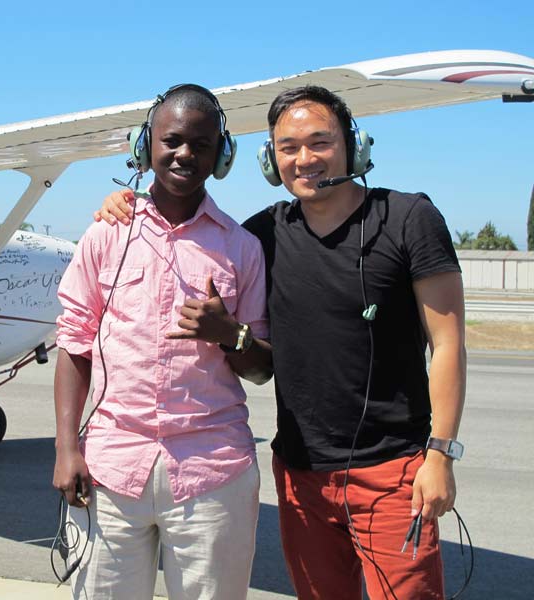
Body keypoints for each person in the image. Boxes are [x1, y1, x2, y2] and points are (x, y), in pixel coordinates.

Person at [96, 85, 466, 599]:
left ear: (352, 146)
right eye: (288, 147)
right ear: (271, 160)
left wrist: (441, 456)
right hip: (301, 475)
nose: (305, 159)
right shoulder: (263, 234)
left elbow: (447, 344)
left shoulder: (409, 219)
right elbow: (190, 225)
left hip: (394, 471)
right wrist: (125, 203)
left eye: (320, 142)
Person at [53, 84, 272, 600]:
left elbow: (262, 367)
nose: (185, 154)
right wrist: (66, 448)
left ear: (222, 155)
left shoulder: (242, 248)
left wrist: (228, 333)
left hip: (212, 474)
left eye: (201, 144)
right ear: (145, 145)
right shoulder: (107, 233)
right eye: (172, 140)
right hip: (110, 469)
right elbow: (75, 344)